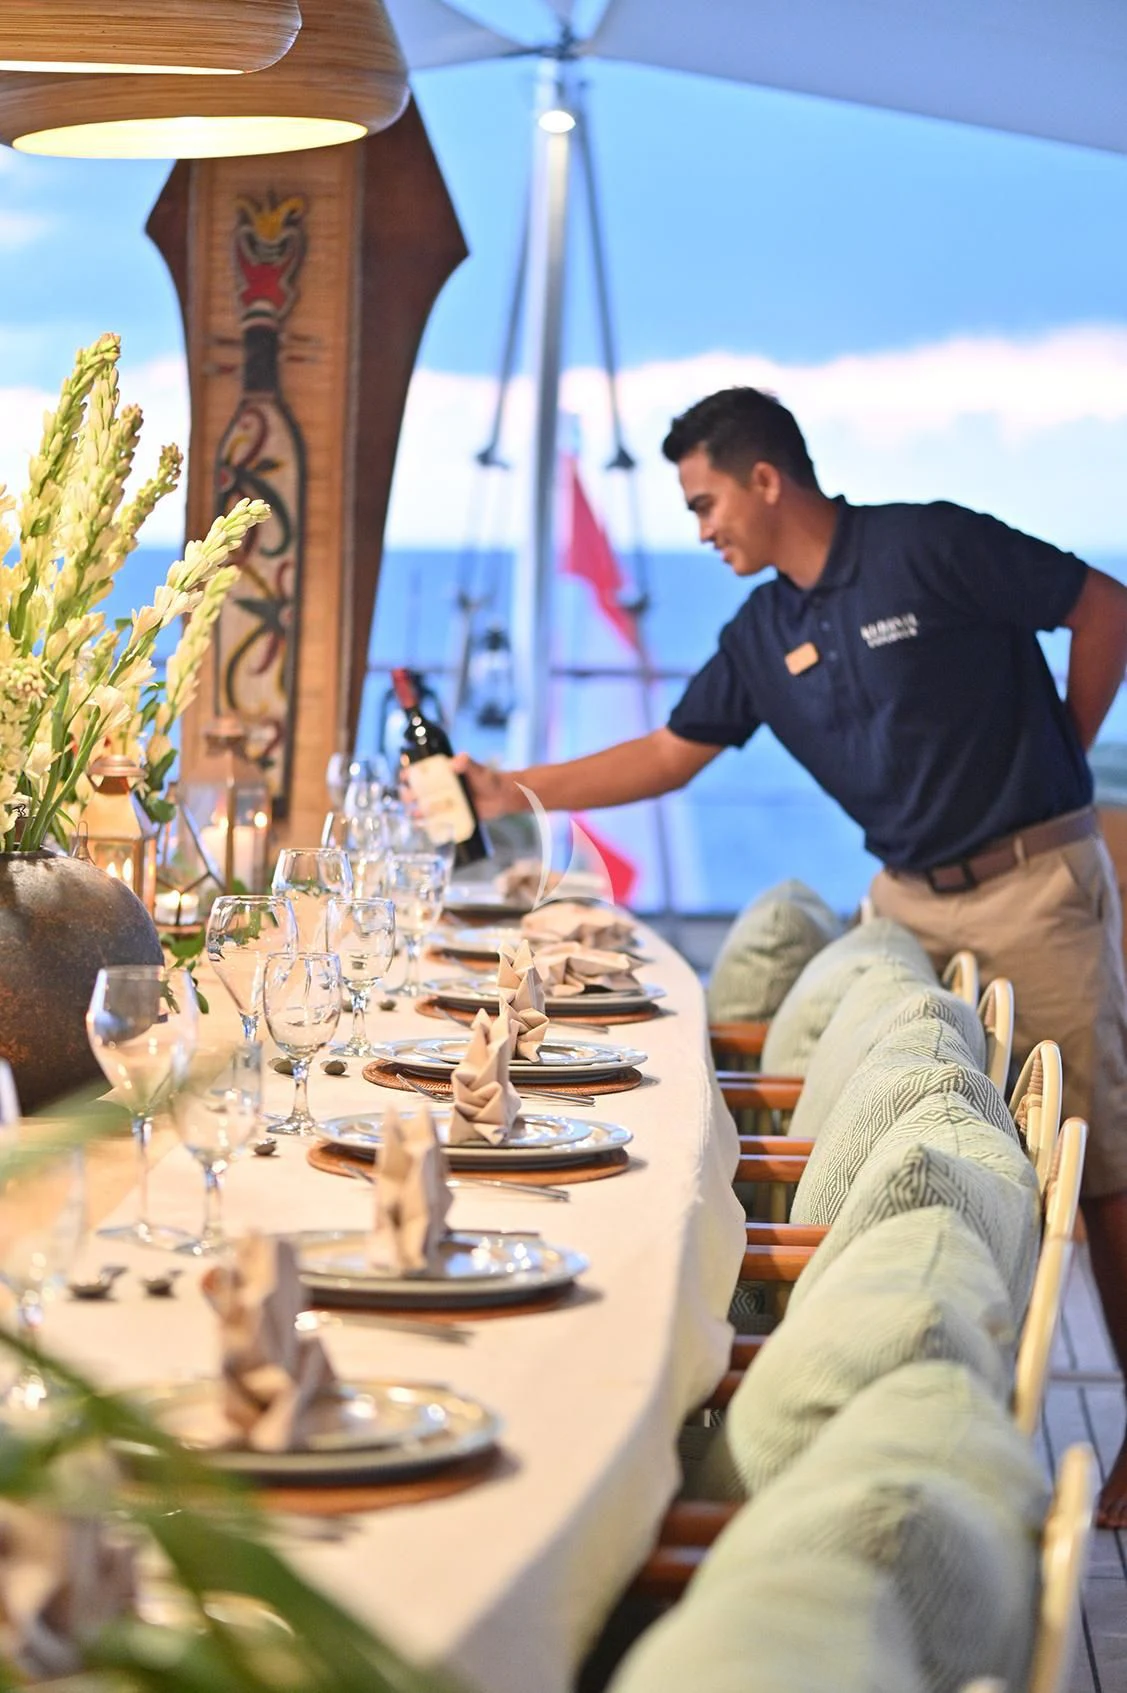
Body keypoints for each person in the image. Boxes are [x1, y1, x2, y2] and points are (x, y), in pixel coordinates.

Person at [450, 385, 1127, 1524]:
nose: (702, 528)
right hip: (904, 902)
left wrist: (1062, 742)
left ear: (765, 480)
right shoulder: (762, 636)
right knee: (937, 1151)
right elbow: (669, 755)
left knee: (1098, 1166)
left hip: (1030, 886)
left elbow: (1103, 603)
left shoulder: (928, 543)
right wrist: (511, 793)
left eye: (706, 501)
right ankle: (927, 1406)